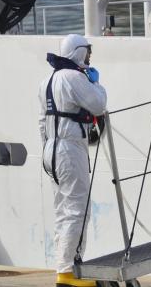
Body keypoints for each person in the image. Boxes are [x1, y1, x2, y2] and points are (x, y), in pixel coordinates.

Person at [38, 34, 107, 287]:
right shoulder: (75, 77)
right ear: (78, 53)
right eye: (87, 52)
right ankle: (69, 271)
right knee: (78, 209)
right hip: (70, 149)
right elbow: (98, 105)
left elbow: (41, 121)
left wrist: (47, 147)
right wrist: (96, 83)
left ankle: (62, 267)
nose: (89, 57)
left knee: (62, 210)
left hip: (50, 149)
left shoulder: (47, 80)